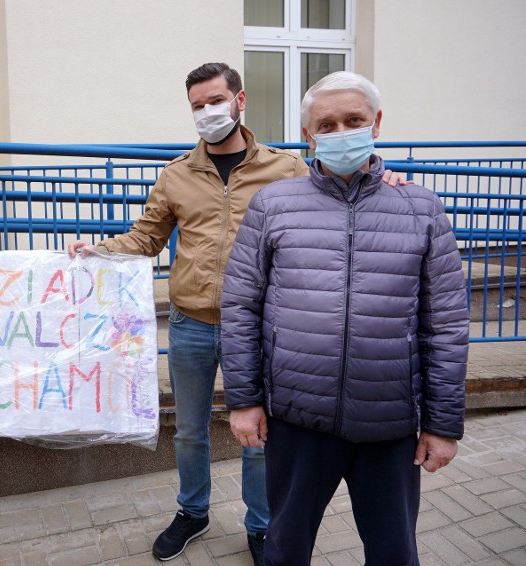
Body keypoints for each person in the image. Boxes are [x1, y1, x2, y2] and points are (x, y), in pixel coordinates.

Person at [69, 62, 404, 563]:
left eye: (215, 101)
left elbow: (338, 200)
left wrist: (385, 182)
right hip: (191, 326)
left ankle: (263, 522)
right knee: (188, 430)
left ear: (240, 100)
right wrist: (99, 250)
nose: (207, 113)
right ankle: (192, 511)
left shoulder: (286, 168)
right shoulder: (177, 174)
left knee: (259, 433)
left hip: (263, 327)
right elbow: (147, 237)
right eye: (197, 106)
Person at [220, 71, 469, 565]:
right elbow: (241, 306)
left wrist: (443, 425)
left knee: (394, 552)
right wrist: (244, 400)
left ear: (376, 122)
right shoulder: (273, 205)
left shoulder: (421, 209)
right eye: (326, 124)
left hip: (389, 423)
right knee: (285, 549)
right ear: (309, 136)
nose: (340, 132)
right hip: (297, 420)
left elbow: (445, 326)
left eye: (353, 120)